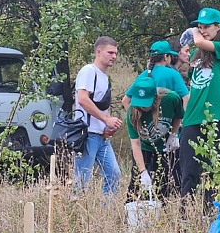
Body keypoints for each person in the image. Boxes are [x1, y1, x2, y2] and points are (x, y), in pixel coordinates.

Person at [178, 7, 220, 211]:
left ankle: (210, 213)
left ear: (218, 27)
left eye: (206, 26)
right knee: (189, 172)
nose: (202, 30)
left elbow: (201, 42)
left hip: (217, 117)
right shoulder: (196, 54)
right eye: (199, 26)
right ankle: (185, 218)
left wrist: (193, 34)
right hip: (193, 117)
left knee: (213, 172)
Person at [72, 36, 123, 197]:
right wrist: (105, 120)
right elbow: (82, 99)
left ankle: (106, 210)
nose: (113, 56)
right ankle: (75, 215)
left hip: (101, 136)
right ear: (98, 52)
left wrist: (108, 126)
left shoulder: (104, 77)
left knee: (114, 173)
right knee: (81, 179)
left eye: (115, 53)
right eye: (110, 52)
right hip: (87, 134)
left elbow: (102, 106)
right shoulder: (89, 71)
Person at [124, 76, 183, 203]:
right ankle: (131, 216)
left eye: (146, 103)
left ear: (155, 97)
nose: (143, 108)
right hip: (144, 148)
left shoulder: (171, 98)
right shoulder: (131, 113)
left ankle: (162, 212)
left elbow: (178, 116)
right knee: (137, 185)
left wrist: (173, 135)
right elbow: (135, 145)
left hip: (165, 147)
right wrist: (143, 171)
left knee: (165, 184)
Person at [122, 40, 190, 110]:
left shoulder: (143, 75)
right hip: (168, 119)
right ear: (166, 56)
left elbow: (125, 101)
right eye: (170, 55)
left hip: (146, 120)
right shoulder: (173, 74)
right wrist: (183, 119)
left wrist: (134, 119)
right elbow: (186, 98)